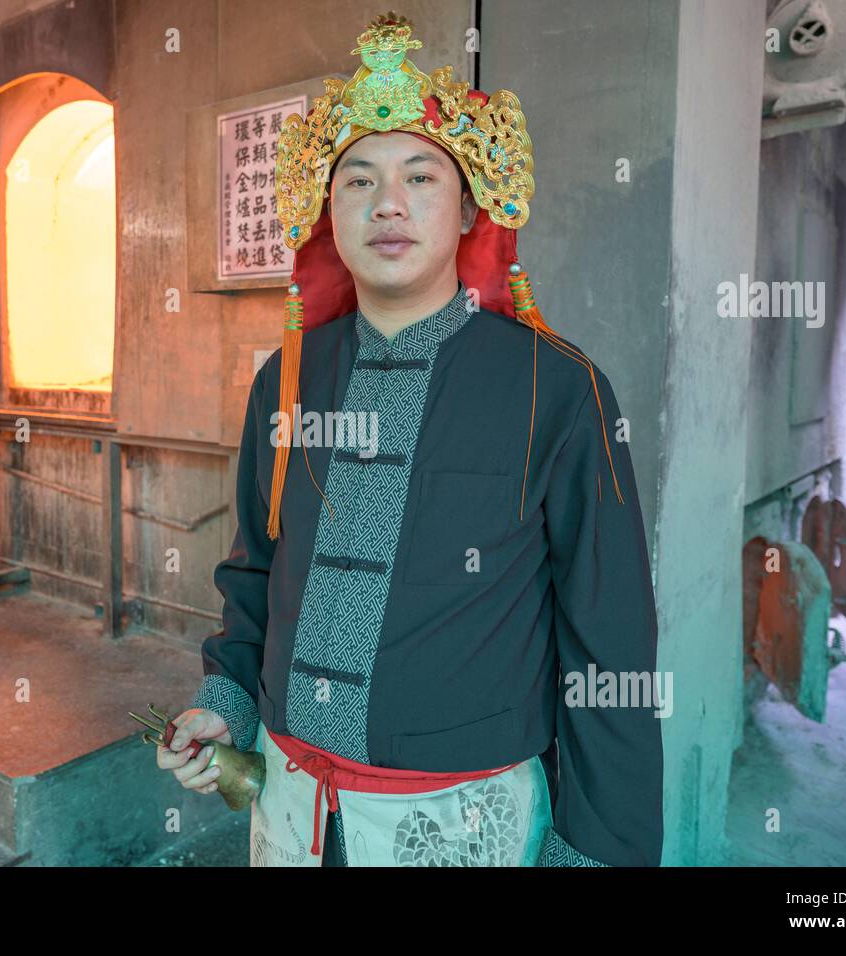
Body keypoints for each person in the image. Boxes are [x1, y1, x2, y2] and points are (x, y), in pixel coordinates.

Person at [158, 11, 663, 868]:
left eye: (420, 176)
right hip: (290, 806)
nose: (387, 203)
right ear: (328, 211)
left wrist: (595, 851)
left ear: (469, 209)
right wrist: (227, 704)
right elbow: (253, 573)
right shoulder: (284, 379)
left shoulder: (559, 388)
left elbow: (608, 641)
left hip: (462, 823)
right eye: (356, 180)